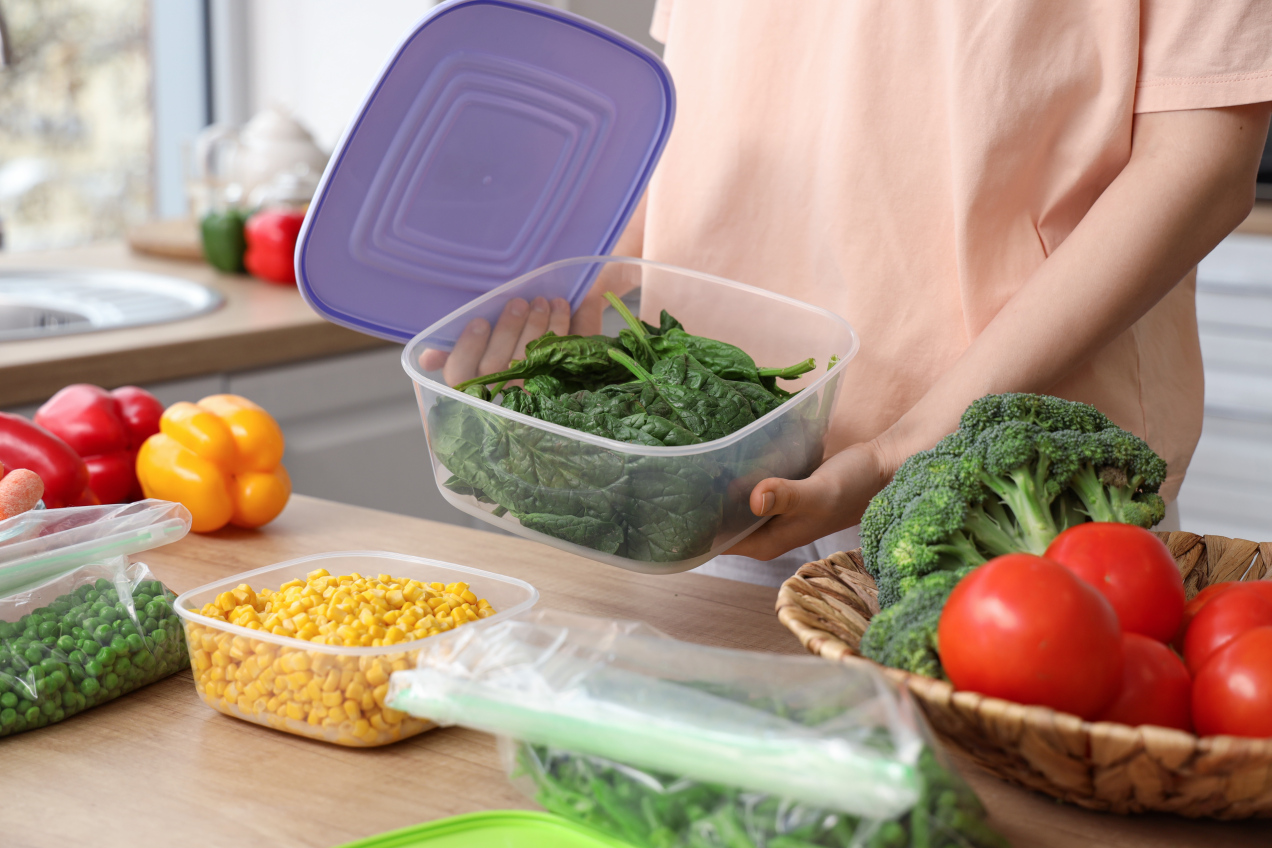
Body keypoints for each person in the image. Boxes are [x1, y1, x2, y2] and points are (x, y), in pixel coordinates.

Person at [425, 2, 1272, 586]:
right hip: (713, 457)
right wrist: (573, 319)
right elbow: (713, 99)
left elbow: (1200, 165)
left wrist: (902, 449)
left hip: (1013, 477)